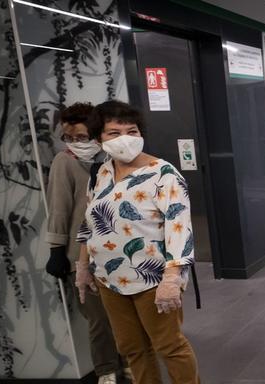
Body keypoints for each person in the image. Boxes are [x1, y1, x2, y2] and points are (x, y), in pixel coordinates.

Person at [75, 100, 200, 384]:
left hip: (152, 278)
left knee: (169, 346)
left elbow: (180, 228)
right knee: (132, 349)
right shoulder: (100, 173)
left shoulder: (163, 174)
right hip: (109, 278)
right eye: (114, 133)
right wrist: (82, 267)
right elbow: (89, 223)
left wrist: (172, 279)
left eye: (131, 131)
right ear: (99, 139)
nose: (125, 139)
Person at [45, 103, 126, 384]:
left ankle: (128, 363)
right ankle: (106, 371)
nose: (75, 144)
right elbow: (58, 209)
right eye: (68, 138)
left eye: (81, 137)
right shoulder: (64, 162)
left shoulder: (110, 161)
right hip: (80, 256)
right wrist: (56, 250)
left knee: (123, 316)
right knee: (98, 320)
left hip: (114, 251)